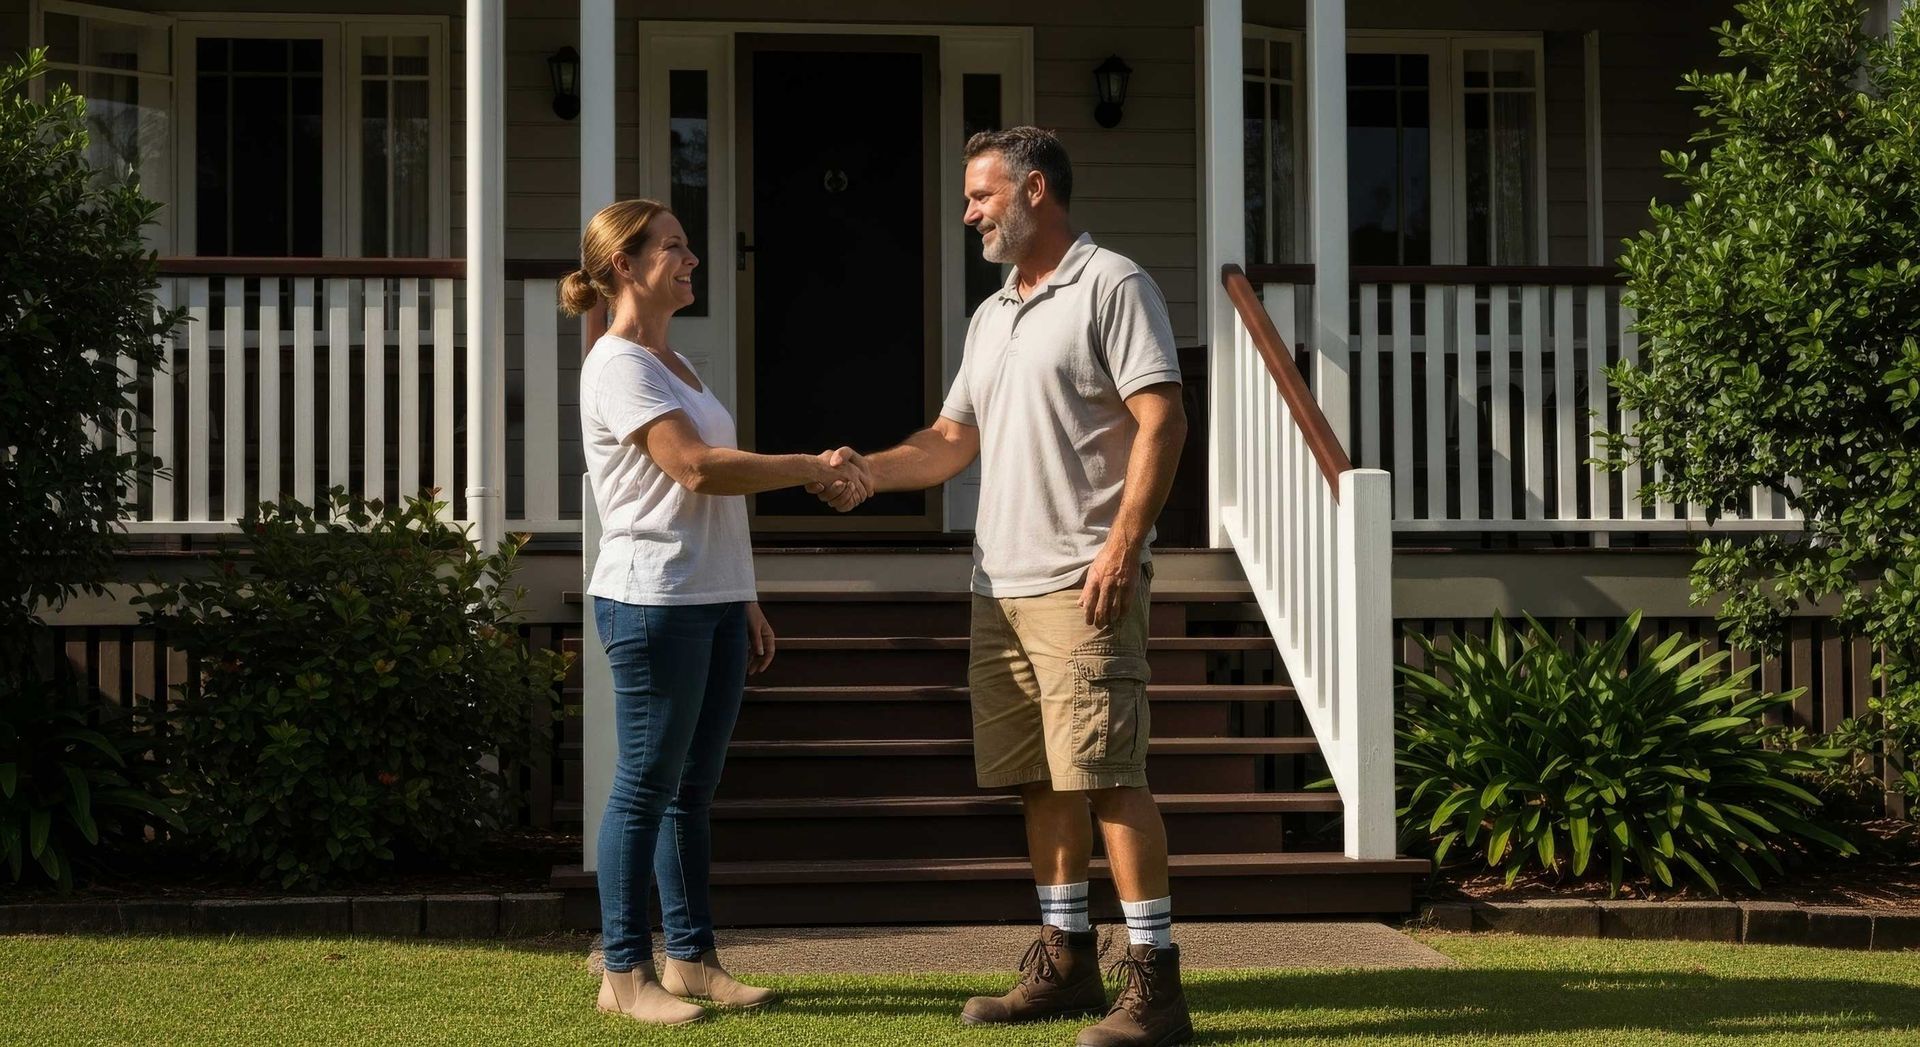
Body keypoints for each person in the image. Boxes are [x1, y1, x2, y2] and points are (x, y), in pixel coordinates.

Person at [812, 127, 1192, 1047]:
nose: (970, 213)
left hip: (1082, 579)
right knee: (1037, 778)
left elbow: (1164, 418)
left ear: (1033, 191)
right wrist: (867, 470)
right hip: (1000, 583)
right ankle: (1067, 959)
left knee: (1107, 775)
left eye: (981, 197)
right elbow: (951, 440)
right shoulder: (994, 314)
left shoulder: (1112, 284)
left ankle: (1157, 986)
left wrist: (1121, 546)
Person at [568, 198, 870, 1027]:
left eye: (690, 246)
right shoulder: (617, 363)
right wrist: (812, 465)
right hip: (651, 599)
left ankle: (691, 958)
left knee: (690, 792)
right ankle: (623, 970)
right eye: (674, 246)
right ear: (624, 266)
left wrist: (743, 594)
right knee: (643, 788)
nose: (692, 257)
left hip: (707, 597)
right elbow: (695, 470)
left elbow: (711, 497)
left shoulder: (679, 364)